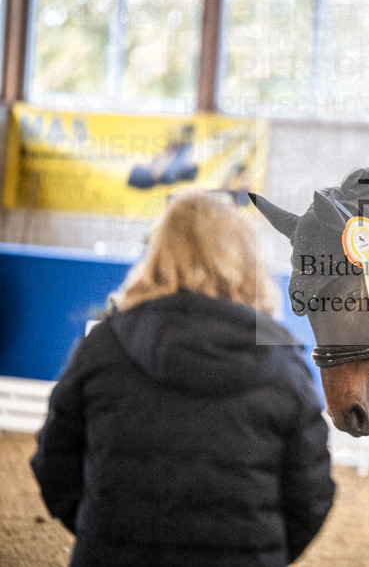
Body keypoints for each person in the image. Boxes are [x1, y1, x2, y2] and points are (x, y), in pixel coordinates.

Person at [31, 189, 335, 565]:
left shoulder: (103, 347)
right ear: (245, 259)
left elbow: (54, 465)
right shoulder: (284, 363)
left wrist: (106, 534)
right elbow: (311, 495)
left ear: (158, 254)